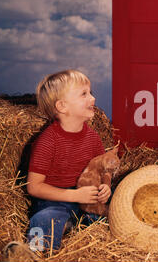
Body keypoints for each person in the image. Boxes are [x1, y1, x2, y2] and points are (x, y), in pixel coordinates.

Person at [26, 69, 111, 250]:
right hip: (55, 200)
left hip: (88, 199)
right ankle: (33, 251)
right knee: (43, 219)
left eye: (91, 93)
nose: (93, 99)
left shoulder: (93, 138)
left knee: (113, 217)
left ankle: (70, 227)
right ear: (62, 107)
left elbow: (104, 169)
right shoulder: (48, 141)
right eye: (84, 94)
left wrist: (106, 186)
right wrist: (73, 195)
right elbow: (34, 186)